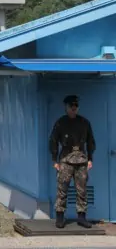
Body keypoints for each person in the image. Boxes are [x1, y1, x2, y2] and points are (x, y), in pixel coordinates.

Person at [49, 95, 95, 229]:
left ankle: (82, 218)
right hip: (65, 160)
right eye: (71, 107)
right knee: (62, 189)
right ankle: (60, 217)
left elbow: (90, 141)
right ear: (66, 108)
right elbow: (53, 141)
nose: (73, 110)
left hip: (81, 160)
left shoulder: (84, 123)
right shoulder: (61, 123)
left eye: (75, 107)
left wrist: (90, 158)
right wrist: (54, 159)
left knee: (82, 190)